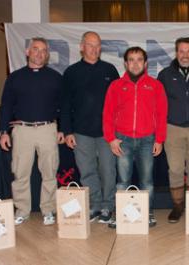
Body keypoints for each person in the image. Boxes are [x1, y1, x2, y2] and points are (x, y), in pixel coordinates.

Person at [0, 37, 64, 225]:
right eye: (36, 49)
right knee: (20, 173)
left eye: (43, 50)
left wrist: (62, 129)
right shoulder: (15, 77)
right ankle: (22, 210)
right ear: (28, 52)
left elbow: (64, 105)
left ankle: (48, 209)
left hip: (48, 129)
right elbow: (6, 106)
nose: (39, 53)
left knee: (50, 173)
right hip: (22, 130)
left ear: (47, 54)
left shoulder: (55, 78)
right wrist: (3, 131)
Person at [103, 46, 168, 228]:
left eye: (139, 59)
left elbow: (162, 114)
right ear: (125, 63)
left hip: (148, 140)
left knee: (146, 181)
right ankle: (120, 214)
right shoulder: (116, 86)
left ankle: (147, 212)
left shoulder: (155, 85)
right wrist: (111, 138)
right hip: (122, 140)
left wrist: (159, 139)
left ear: (145, 63)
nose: (135, 63)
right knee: (123, 180)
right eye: (131, 60)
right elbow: (107, 113)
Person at [60, 31, 119, 223]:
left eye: (98, 45)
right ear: (82, 47)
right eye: (90, 45)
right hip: (81, 132)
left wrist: (117, 130)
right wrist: (67, 131)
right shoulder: (71, 72)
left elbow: (119, 103)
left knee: (108, 170)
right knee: (87, 171)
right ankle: (95, 205)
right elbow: (65, 104)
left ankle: (108, 206)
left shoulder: (110, 70)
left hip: (107, 133)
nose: (94, 49)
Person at [157, 37, 189, 223]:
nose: (185, 55)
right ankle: (178, 206)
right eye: (181, 51)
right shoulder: (165, 75)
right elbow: (159, 105)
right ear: (176, 52)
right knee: (176, 169)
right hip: (173, 129)